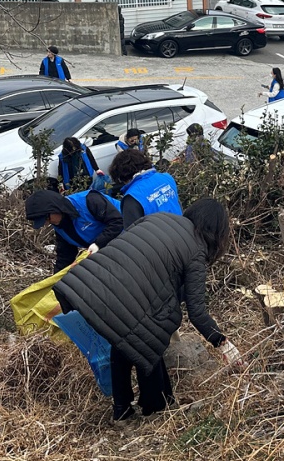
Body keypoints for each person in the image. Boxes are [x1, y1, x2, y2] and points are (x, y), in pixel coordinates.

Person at [54, 199, 243, 421]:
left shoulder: (159, 218)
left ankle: (122, 410)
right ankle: (155, 408)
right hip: (122, 293)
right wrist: (224, 345)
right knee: (148, 336)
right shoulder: (197, 250)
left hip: (95, 283)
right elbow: (197, 312)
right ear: (217, 231)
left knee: (122, 338)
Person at [24, 189, 122, 273]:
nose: (47, 223)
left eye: (47, 219)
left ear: (55, 209)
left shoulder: (90, 200)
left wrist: (98, 243)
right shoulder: (60, 228)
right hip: (109, 250)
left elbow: (118, 221)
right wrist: (56, 282)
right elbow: (65, 257)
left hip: (130, 235)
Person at [109, 148, 182, 228]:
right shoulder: (166, 177)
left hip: (159, 239)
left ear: (121, 175)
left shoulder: (132, 198)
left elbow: (132, 234)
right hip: (182, 230)